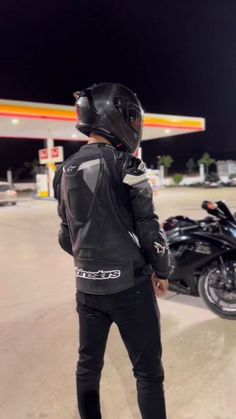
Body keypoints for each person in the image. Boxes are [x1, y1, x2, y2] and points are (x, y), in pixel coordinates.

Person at [53, 83, 171, 419]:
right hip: (130, 289)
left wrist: (93, 260)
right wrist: (162, 270)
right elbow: (150, 229)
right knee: (148, 373)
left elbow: (66, 238)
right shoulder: (128, 166)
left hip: (86, 289)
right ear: (114, 114)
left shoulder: (62, 172)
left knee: (87, 368)